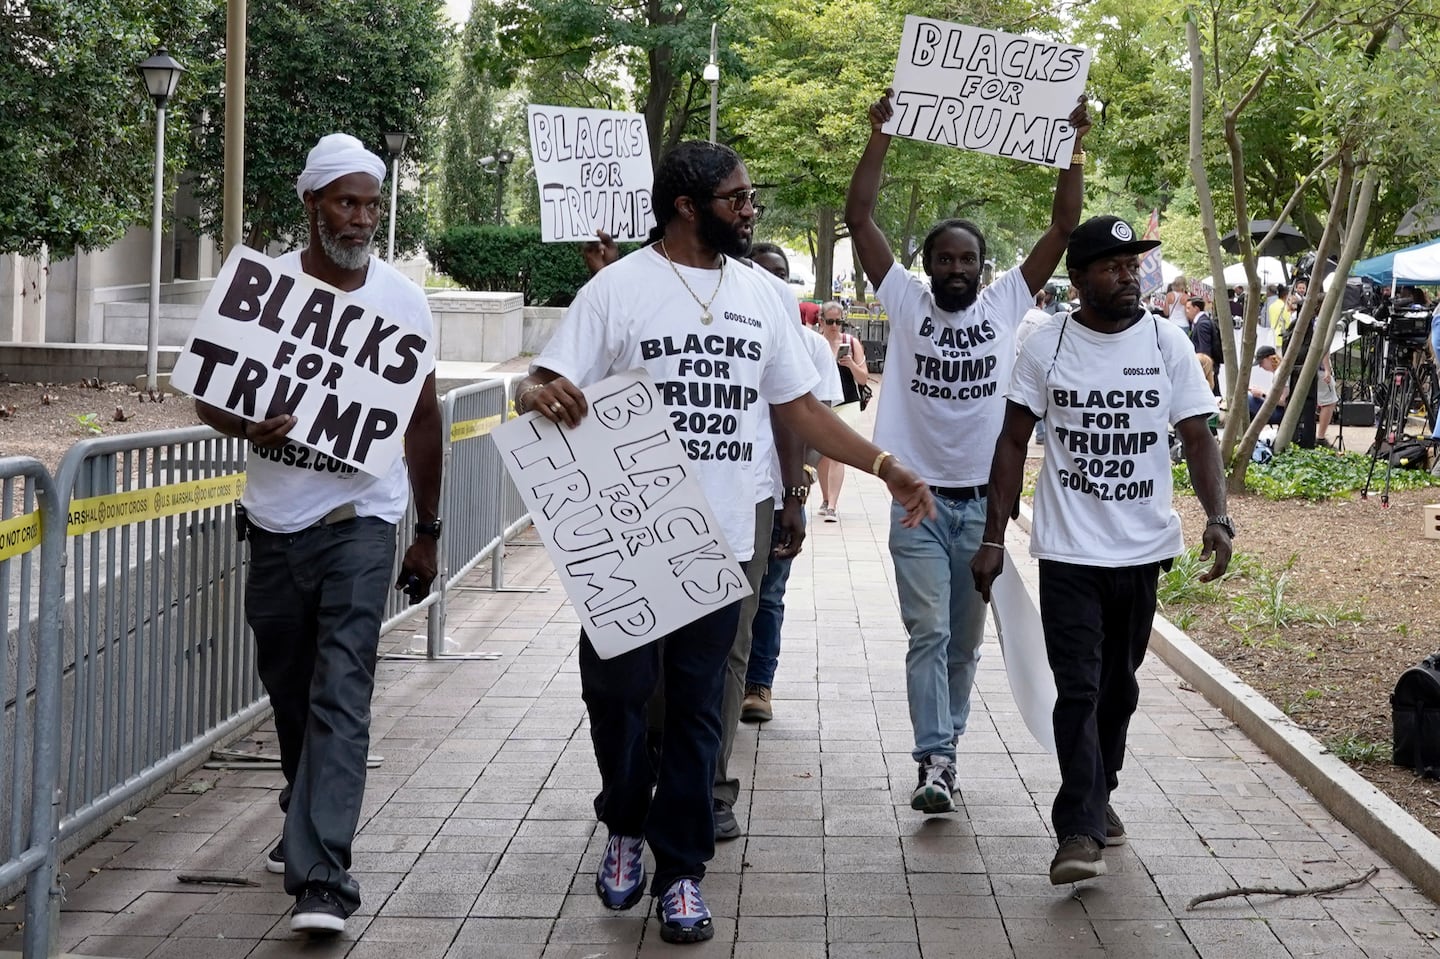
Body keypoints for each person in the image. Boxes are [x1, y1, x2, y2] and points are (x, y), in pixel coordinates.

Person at [512, 140, 934, 944]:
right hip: (629, 525)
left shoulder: (764, 296)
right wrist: (539, 391)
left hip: (728, 526)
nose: (750, 209)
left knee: (704, 707)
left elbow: (800, 411)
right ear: (686, 206)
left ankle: (680, 872)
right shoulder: (618, 288)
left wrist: (885, 465)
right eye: (738, 198)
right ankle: (625, 823)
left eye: (750, 196)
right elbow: (542, 377)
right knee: (619, 693)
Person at [194, 133, 443, 936]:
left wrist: (428, 529)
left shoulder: (404, 301)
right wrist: (244, 424)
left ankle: (324, 875)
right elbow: (208, 393)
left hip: (362, 522)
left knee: (343, 688)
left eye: (371, 203)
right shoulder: (259, 291)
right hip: (274, 522)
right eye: (346, 201)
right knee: (292, 686)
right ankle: (303, 808)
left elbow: (423, 416)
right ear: (311, 204)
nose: (363, 218)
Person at [845, 86, 1089, 815]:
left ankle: (945, 753)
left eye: (968, 261)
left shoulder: (1008, 302)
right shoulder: (904, 298)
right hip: (915, 501)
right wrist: (880, 134)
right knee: (927, 632)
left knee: (963, 644)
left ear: (984, 268)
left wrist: (1073, 147)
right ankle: (934, 757)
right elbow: (860, 217)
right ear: (927, 265)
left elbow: (1063, 225)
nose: (956, 270)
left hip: (981, 508)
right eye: (945, 260)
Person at [971, 214, 1232, 884]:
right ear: (1078, 276)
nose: (1129, 276)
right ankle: (1078, 828)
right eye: (1113, 266)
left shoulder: (1167, 341)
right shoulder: (1046, 345)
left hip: (1143, 548)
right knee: (1080, 686)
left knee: (1118, 687)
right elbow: (1009, 442)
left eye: (1134, 264)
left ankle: (1100, 787)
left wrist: (1219, 516)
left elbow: (1198, 436)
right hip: (1068, 549)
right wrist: (994, 536)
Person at [737, 243, 843, 726]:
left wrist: (797, 487)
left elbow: (815, 423)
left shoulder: (814, 347)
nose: (771, 281)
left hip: (782, 494)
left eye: (781, 274)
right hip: (736, 491)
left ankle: (758, 683)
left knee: (769, 595)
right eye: (761, 271)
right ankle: (721, 686)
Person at [815, 300, 869, 521]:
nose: (835, 327)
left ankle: (832, 506)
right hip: (821, 403)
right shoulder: (815, 342)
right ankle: (826, 498)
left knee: (837, 454)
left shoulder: (850, 342)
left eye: (839, 322)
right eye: (830, 322)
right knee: (821, 457)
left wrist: (850, 365)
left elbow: (864, 378)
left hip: (847, 402)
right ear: (821, 321)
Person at [1189, 297, 1225, 396]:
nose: (1186, 312)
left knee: (1211, 393)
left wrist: (1205, 368)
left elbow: (1204, 349)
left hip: (1207, 366)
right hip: (1209, 366)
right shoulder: (1203, 322)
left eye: (1188, 308)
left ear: (1196, 308)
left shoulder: (1202, 324)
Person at [1248, 344, 1287, 423]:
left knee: (1245, 399)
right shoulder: (1278, 372)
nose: (1260, 366)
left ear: (1270, 359)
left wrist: (1262, 395)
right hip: (1276, 409)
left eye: (1261, 362)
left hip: (1279, 412)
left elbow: (1284, 402)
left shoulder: (1281, 373)